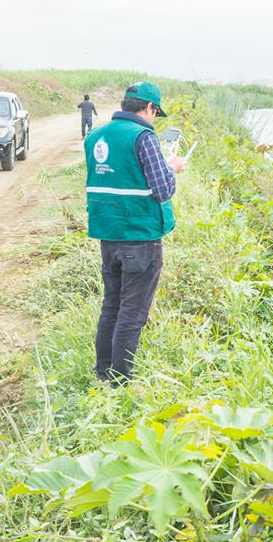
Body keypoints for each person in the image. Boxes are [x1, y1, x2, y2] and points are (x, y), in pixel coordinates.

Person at [84, 81, 187, 385]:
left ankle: (103, 373)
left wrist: (160, 165)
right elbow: (163, 189)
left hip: (108, 234)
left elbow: (122, 174)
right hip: (140, 238)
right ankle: (120, 381)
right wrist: (172, 169)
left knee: (111, 305)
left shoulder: (96, 136)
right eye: (155, 112)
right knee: (133, 312)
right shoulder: (144, 136)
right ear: (150, 108)